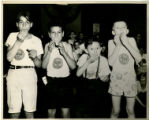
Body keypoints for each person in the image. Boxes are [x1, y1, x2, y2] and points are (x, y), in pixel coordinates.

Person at [5, 11, 43, 118]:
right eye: (21, 22)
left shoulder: (37, 40)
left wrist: (34, 57)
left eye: (27, 22)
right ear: (17, 24)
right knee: (14, 111)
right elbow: (8, 58)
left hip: (29, 74)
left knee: (29, 110)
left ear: (31, 24)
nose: (24, 25)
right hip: (13, 73)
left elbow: (39, 65)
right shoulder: (12, 36)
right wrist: (19, 41)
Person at [108, 21, 142, 118]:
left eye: (123, 27)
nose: (121, 29)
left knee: (130, 110)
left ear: (127, 31)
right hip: (116, 78)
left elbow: (139, 59)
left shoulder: (131, 40)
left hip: (130, 78)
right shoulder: (111, 42)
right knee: (116, 110)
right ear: (113, 32)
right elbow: (110, 63)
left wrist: (126, 43)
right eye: (117, 28)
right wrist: (118, 45)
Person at [42, 24, 76, 118]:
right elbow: (43, 66)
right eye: (53, 32)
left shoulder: (68, 46)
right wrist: (49, 51)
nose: (56, 35)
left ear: (63, 34)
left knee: (65, 111)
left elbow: (73, 66)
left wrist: (64, 52)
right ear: (49, 34)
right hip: (51, 81)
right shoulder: (47, 46)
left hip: (65, 81)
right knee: (51, 111)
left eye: (59, 32)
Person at [76, 38, 111, 117]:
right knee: (84, 111)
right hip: (84, 84)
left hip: (97, 86)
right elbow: (78, 74)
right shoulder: (84, 57)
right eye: (91, 49)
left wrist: (106, 79)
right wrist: (88, 62)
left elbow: (106, 78)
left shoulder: (103, 60)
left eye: (97, 48)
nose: (95, 51)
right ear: (86, 50)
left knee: (97, 110)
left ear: (101, 49)